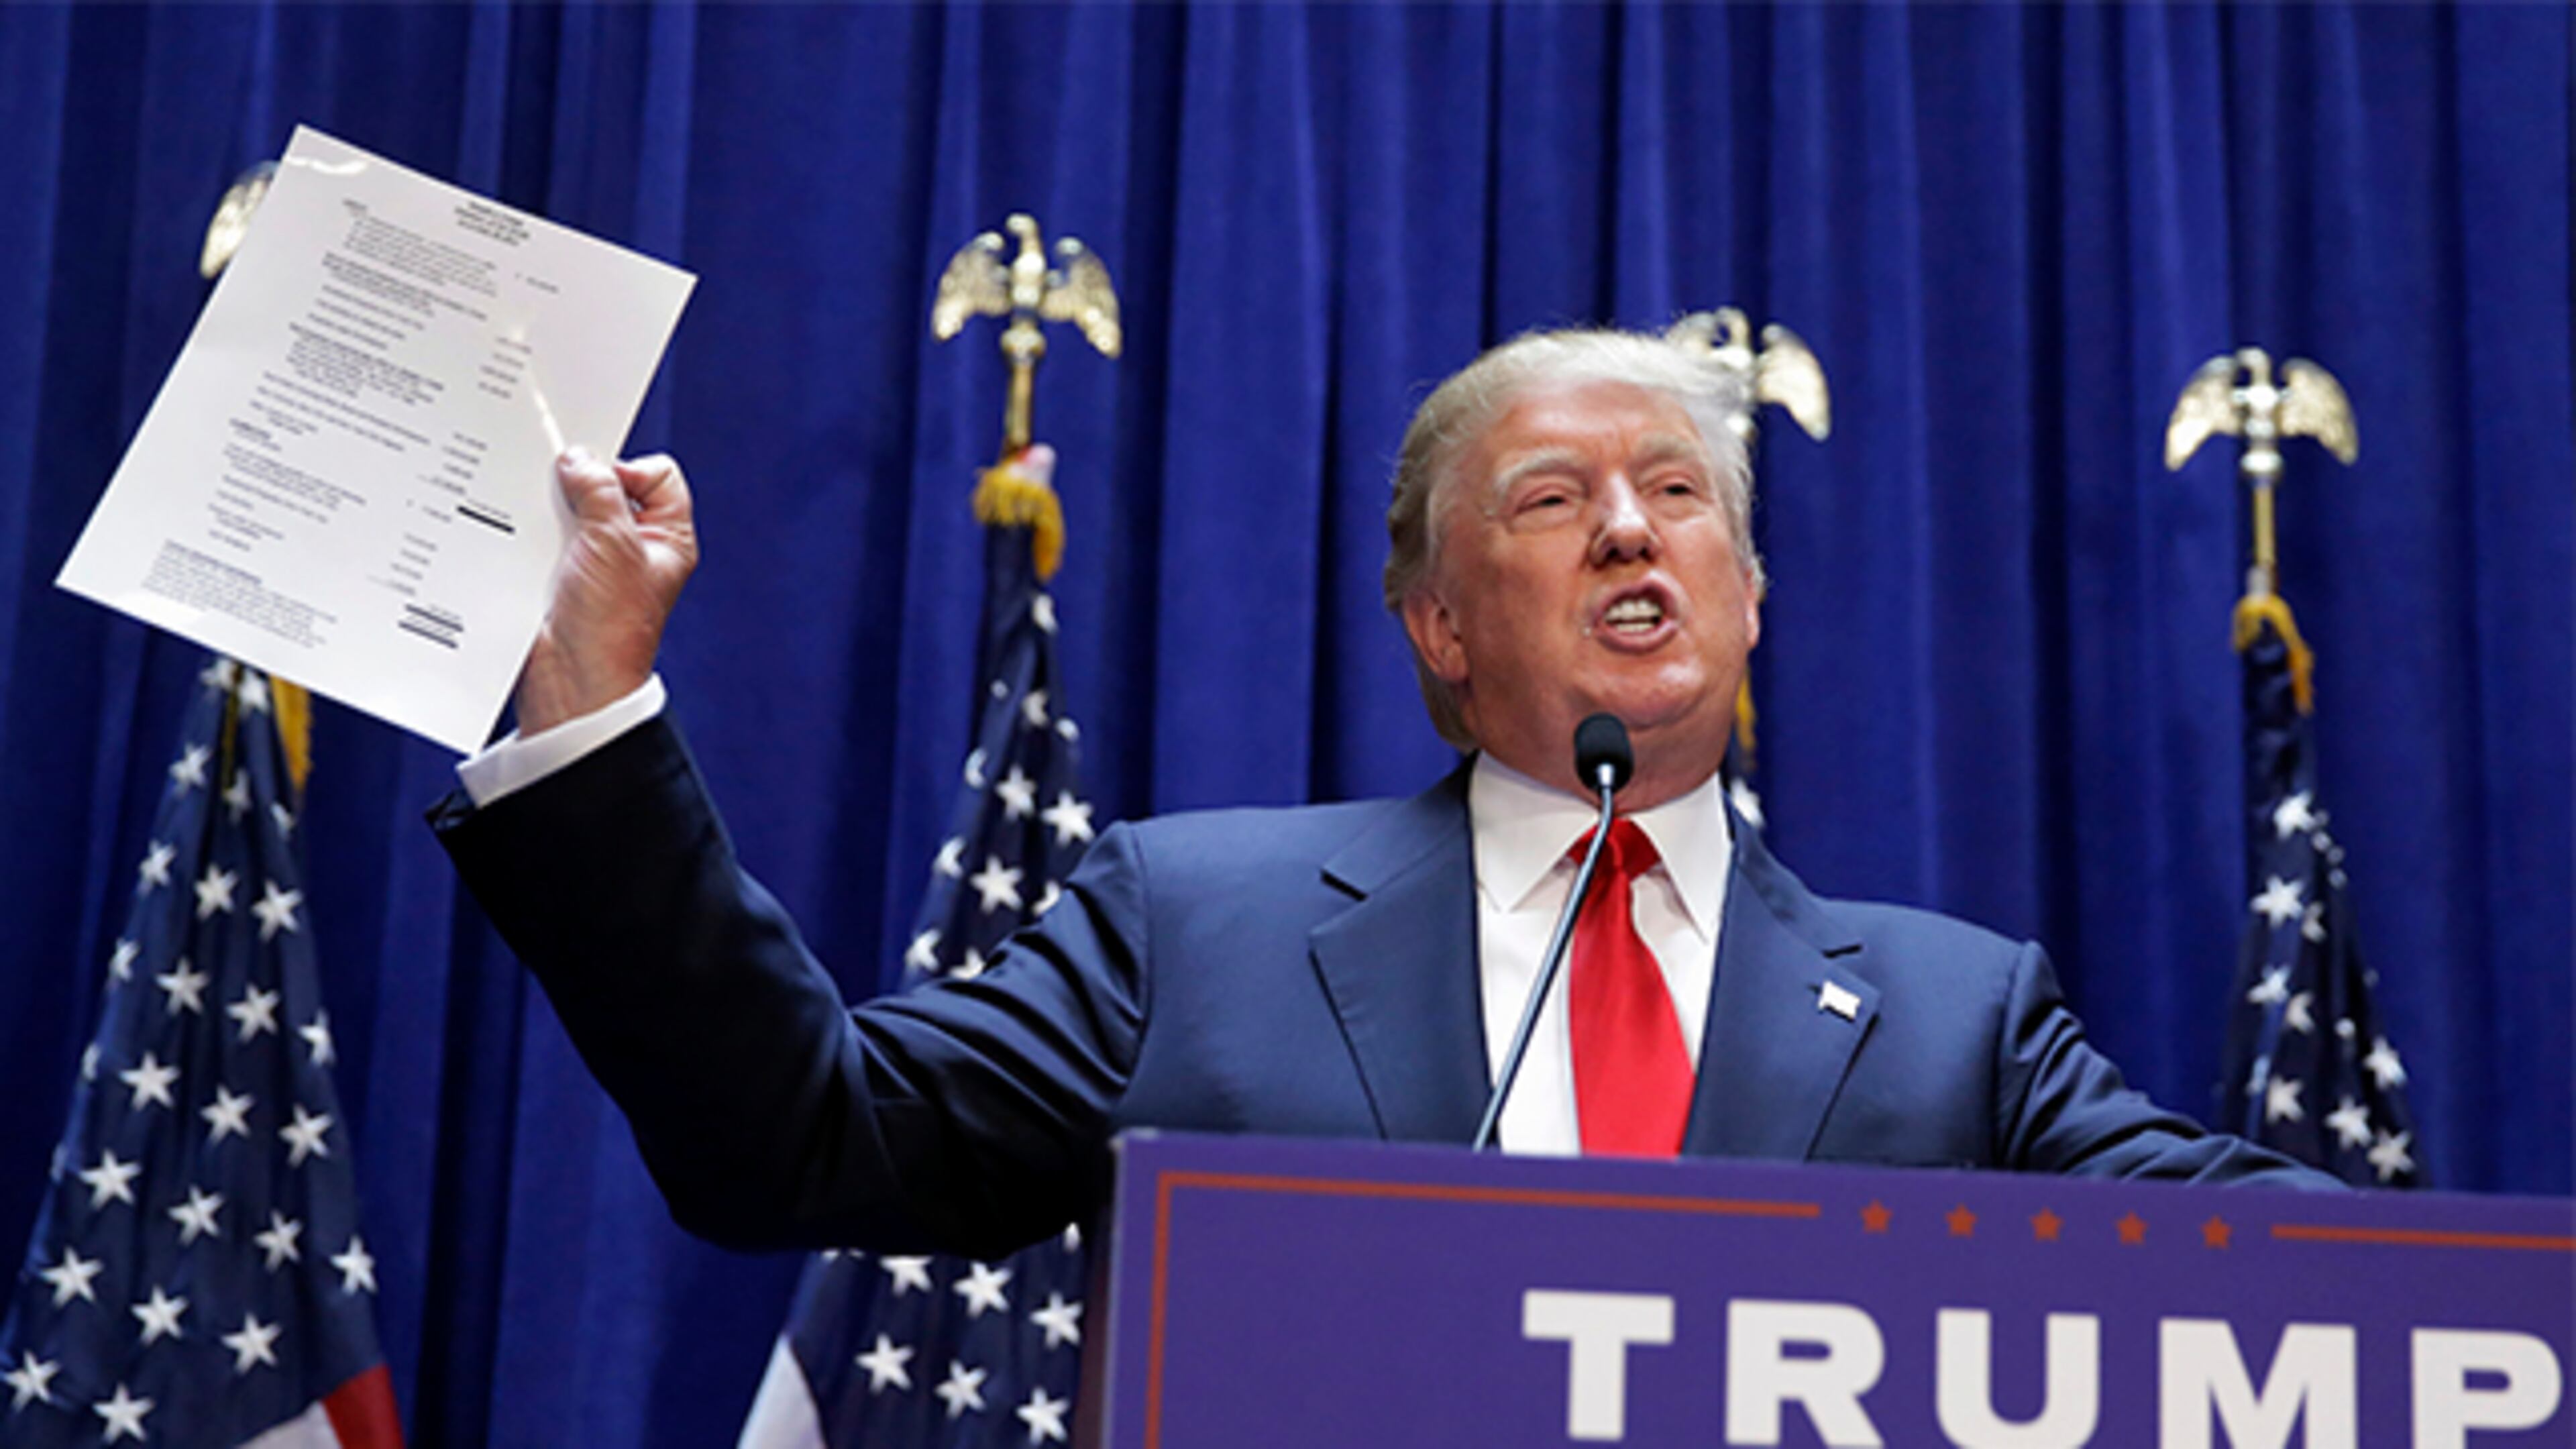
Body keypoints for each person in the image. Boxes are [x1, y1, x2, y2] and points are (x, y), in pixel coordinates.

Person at [431, 328, 2322, 1260]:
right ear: (1435, 623)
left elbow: (2285, 1281)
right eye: (1552, 500)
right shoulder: (1200, 926)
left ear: (1751, 601)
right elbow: (799, 1142)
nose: (1631, 534)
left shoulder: (1956, 1016)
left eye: (1680, 496)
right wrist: (595, 709)